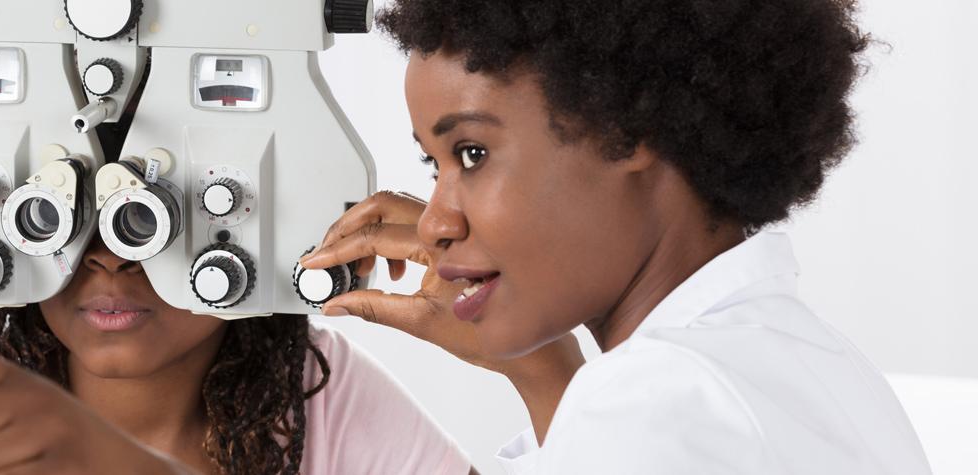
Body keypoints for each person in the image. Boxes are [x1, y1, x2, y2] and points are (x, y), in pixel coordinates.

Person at [296, 0, 932, 473]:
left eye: (471, 154)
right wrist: (545, 375)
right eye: (431, 166)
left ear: (625, 130)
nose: (434, 223)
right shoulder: (806, 364)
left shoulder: (659, 400)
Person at [0, 239, 471, 475]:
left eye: (153, 219)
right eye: (74, 217)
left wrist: (525, 356)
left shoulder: (319, 395)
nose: (111, 258)